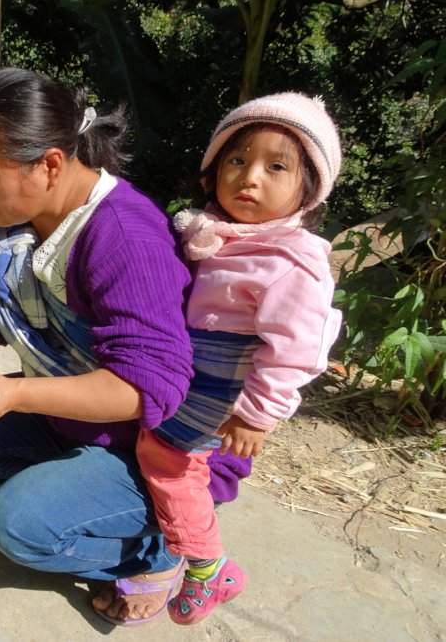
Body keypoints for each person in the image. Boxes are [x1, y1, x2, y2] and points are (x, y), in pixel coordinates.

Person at [0, 66, 247, 626]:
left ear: (50, 164)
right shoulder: (13, 227)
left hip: (157, 453)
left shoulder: (123, 236)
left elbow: (148, 391)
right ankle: (79, 493)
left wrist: (16, 395)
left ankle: (157, 552)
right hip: (77, 423)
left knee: (17, 525)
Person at [136, 93, 343, 624]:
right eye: (237, 159)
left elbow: (296, 349)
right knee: (161, 452)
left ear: (309, 188)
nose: (250, 177)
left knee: (169, 462)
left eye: (276, 167)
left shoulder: (292, 259)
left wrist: (257, 415)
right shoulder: (215, 234)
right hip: (195, 371)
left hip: (222, 386)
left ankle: (208, 566)